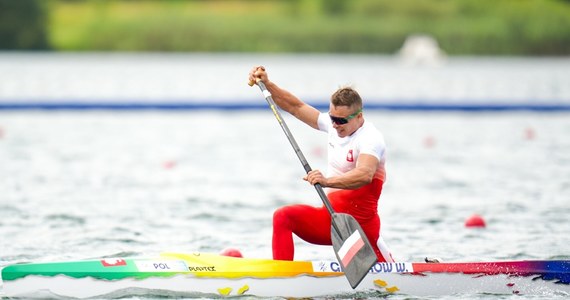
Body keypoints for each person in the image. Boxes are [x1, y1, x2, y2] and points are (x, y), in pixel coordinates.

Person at [248, 66, 394, 263]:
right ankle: (282, 279)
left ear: (359, 116)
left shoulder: (371, 138)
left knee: (393, 281)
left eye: (340, 120)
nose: (334, 124)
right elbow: (295, 107)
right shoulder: (334, 125)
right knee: (283, 216)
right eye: (332, 118)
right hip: (332, 220)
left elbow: (364, 174)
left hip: (360, 227)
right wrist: (268, 84)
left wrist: (327, 181)